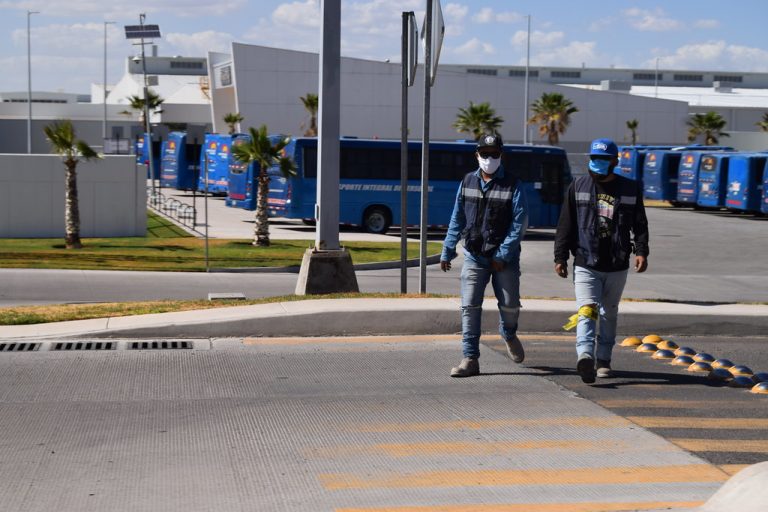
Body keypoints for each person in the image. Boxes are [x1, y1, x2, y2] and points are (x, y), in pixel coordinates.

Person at [554, 138, 649, 383]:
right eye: (594, 158)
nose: (598, 162)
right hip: (586, 261)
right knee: (587, 309)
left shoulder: (630, 188)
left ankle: (604, 359)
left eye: (604, 159)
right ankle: (585, 355)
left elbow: (640, 224)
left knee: (609, 313)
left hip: (617, 263)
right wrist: (560, 256)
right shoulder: (578, 186)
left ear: (615, 161)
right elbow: (565, 224)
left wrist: (641, 251)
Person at [440, 133, 529, 377]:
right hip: (474, 256)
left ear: (501, 155)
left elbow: (519, 223)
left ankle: (508, 333)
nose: (489, 158)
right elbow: (457, 217)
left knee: (510, 305)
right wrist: (448, 249)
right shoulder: (467, 181)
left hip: (504, 259)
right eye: (485, 154)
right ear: (477, 155)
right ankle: (470, 358)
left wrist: (503, 254)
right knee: (469, 306)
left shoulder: (513, 184)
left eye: (494, 154)